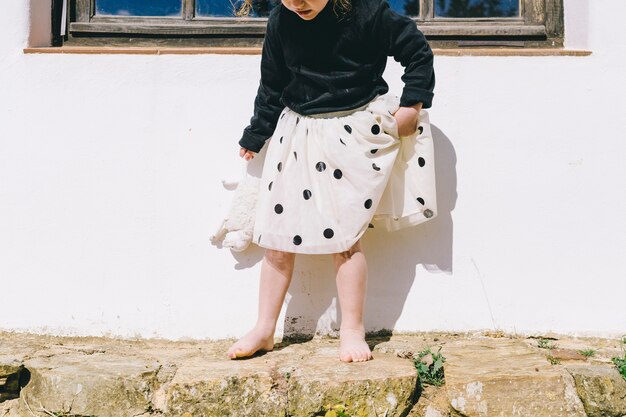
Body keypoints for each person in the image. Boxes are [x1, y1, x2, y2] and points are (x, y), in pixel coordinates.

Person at [227, 0, 435, 362]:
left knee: (346, 239)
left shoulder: (368, 12)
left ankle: (352, 329)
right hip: (298, 135)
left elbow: (417, 52)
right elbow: (272, 84)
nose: (297, 3)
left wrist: (412, 105)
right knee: (276, 240)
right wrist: (256, 133)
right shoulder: (281, 20)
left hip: (352, 134)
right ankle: (264, 327)